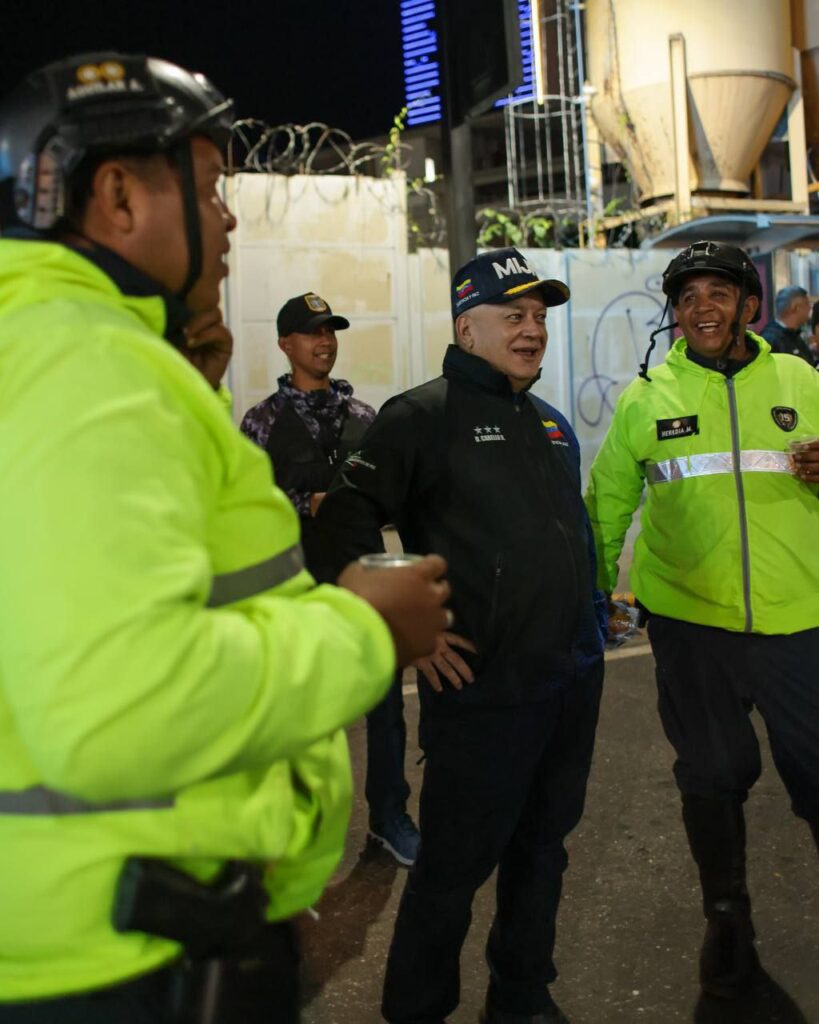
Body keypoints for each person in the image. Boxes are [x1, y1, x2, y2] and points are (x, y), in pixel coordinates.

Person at [0, 52, 451, 1022]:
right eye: (210, 187)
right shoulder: (86, 362)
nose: (230, 218)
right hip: (121, 958)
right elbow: (116, 705)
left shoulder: (53, 344)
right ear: (119, 195)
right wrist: (363, 627)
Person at [316, 247, 606, 1024]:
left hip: (569, 679)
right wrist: (406, 633)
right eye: (513, 315)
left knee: (543, 849)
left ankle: (521, 994)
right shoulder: (422, 416)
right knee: (452, 869)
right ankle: (416, 1009)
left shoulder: (548, 423)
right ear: (465, 328)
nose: (531, 329)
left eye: (538, 316)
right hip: (484, 693)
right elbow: (342, 517)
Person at [585, 241, 819, 1001]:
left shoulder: (801, 380)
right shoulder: (646, 397)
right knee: (713, 774)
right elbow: (608, 503)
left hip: (800, 619)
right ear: (675, 315)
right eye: (687, 298)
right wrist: (593, 592)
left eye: (717, 293)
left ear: (748, 305)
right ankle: (726, 916)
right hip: (692, 624)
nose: (702, 308)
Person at [241, 295, 421, 866]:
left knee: (385, 706)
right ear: (285, 343)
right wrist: (306, 503)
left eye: (331, 331)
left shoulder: (366, 417)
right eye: (312, 332)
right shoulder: (261, 422)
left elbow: (393, 494)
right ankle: (297, 829)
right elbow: (245, 507)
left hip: (364, 585)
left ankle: (389, 818)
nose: (325, 341)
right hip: (297, 589)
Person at [759, 284, 814, 363]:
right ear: (795, 307)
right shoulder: (771, 339)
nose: (810, 308)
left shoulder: (794, 336)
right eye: (807, 304)